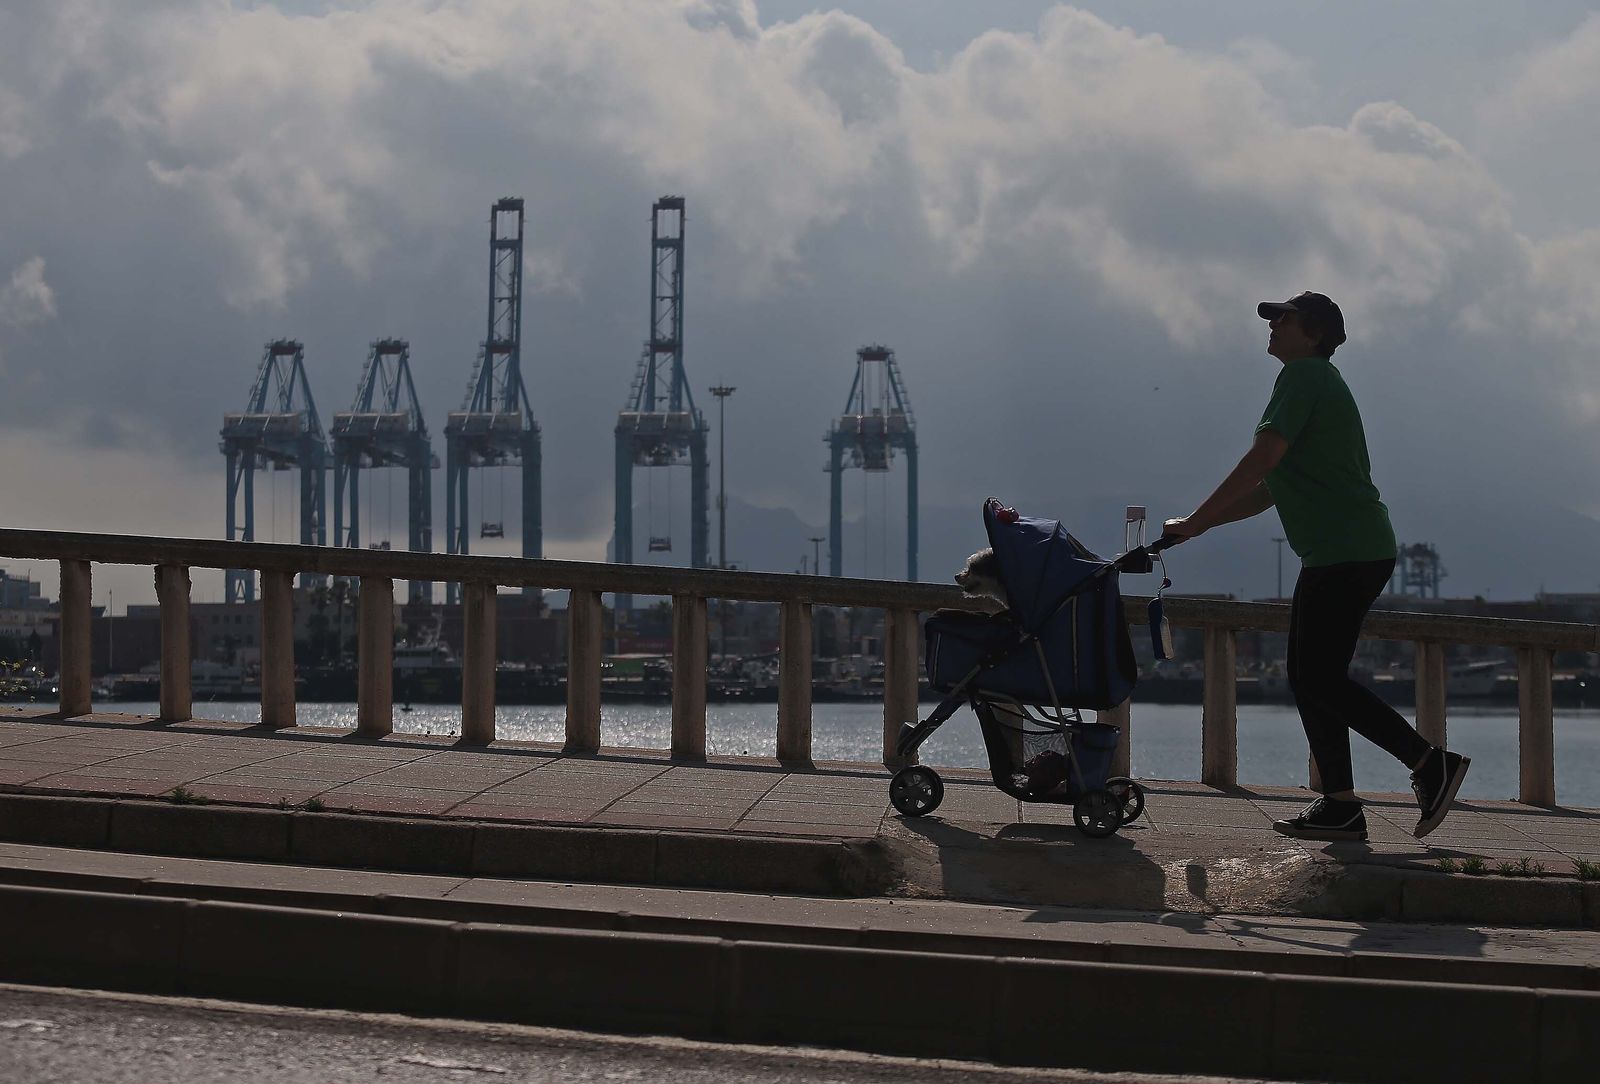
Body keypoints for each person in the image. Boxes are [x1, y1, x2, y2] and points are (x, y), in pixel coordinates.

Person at [1162, 292, 1469, 842]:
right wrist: (1198, 527)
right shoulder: (1317, 382)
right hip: (1341, 550)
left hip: (1347, 550)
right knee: (1309, 677)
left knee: (1319, 677)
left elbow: (1262, 459)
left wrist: (1196, 518)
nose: (1274, 325)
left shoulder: (1304, 376)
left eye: (1285, 318)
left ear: (1314, 334)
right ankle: (1341, 805)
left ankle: (1429, 763)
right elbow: (1268, 489)